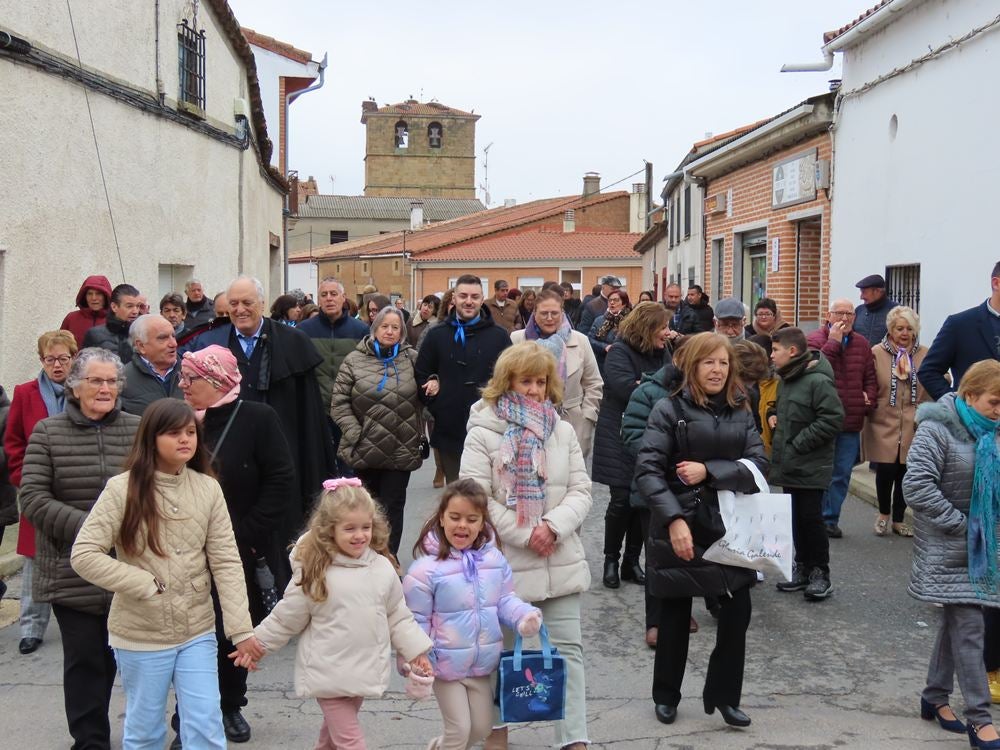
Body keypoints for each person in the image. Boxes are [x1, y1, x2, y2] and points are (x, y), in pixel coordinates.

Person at [70, 399, 261, 750]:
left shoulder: (208, 488)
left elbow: (227, 561)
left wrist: (241, 630)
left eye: (190, 432)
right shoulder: (122, 489)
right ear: (151, 438)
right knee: (145, 732)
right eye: (174, 433)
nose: (185, 439)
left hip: (197, 628)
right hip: (141, 632)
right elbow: (84, 554)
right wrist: (140, 582)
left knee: (205, 722)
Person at [233, 478, 433, 750]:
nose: (359, 535)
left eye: (365, 527)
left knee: (330, 740)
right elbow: (286, 616)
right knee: (351, 742)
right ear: (330, 530)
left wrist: (416, 651)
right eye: (349, 528)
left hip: (363, 671)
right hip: (326, 672)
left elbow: (398, 615)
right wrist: (257, 644)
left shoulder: (382, 568)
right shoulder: (316, 570)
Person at [461, 342, 592, 750]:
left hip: (559, 558)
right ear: (506, 383)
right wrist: (525, 532)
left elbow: (581, 490)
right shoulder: (482, 432)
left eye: (541, 381)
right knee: (499, 654)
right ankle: (496, 735)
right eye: (525, 381)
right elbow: (475, 499)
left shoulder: (562, 428)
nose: (534, 390)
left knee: (567, 653)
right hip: (505, 564)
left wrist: (552, 527)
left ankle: (573, 739)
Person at [635, 332, 767, 728]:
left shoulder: (742, 409)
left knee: (736, 613)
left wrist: (709, 471)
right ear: (691, 365)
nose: (717, 370)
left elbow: (759, 465)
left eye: (723, 363)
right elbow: (647, 471)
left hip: (729, 527)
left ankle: (725, 697)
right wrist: (674, 519)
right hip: (679, 525)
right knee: (674, 614)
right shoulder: (667, 409)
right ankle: (666, 696)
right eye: (709, 362)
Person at [19, 348, 140, 749]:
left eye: (112, 381)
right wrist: (96, 531)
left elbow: (156, 490)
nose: (105, 388)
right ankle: (90, 741)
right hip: (73, 570)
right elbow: (34, 499)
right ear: (74, 385)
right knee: (86, 661)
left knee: (135, 663)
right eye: (95, 380)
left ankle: (143, 734)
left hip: (129, 568)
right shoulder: (47, 432)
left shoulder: (138, 429)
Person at [175, 344, 295, 746]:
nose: (182, 385)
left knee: (233, 629)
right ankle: (190, 716)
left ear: (214, 381)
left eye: (190, 378)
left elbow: (280, 480)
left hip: (242, 548)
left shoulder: (258, 417)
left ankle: (229, 704)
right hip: (184, 551)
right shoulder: (179, 421)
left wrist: (242, 536)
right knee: (191, 634)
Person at [189, 276, 336, 582]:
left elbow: (309, 415)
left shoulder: (293, 343)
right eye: (234, 304)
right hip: (229, 470)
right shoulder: (210, 345)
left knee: (284, 555)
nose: (240, 310)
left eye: (247, 303)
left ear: (262, 304)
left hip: (283, 461)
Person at [903, 359, 1000, 747]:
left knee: (955, 623)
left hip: (981, 550)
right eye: (995, 402)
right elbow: (918, 487)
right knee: (971, 627)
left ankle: (934, 696)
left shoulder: (992, 433)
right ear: (970, 395)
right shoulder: (936, 429)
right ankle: (980, 718)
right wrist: (963, 525)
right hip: (947, 545)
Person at [404, 479, 542, 750]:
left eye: (471, 519)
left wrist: (523, 616)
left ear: (482, 523)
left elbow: (504, 600)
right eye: (454, 517)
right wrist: (416, 657)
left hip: (481, 664)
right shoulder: (424, 570)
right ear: (441, 519)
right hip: (444, 664)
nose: (462, 525)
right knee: (458, 731)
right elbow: (415, 619)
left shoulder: (494, 561)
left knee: (480, 728)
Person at [4, 330, 78, 655]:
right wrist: (26, 478)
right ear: (41, 361)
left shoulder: (85, 390)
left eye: (64, 358)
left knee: (83, 554)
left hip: (78, 487)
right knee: (36, 558)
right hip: (38, 489)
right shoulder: (25, 393)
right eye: (51, 359)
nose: (57, 365)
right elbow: (13, 443)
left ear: (74, 359)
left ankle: (82, 622)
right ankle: (32, 627)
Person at [331, 307, 424, 556]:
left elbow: (425, 394)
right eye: (385, 326)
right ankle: (362, 558)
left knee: (393, 509)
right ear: (375, 329)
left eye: (395, 327)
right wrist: (356, 433)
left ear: (402, 333)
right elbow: (339, 403)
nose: (390, 331)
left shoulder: (412, 359)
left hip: (401, 449)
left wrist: (434, 381)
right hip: (364, 450)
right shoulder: (354, 360)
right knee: (363, 510)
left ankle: (389, 560)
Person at [593, 302, 670, 589]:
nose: (666, 332)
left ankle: (631, 562)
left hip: (651, 433)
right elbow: (627, 388)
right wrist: (653, 386)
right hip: (618, 432)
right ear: (647, 328)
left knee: (642, 501)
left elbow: (666, 387)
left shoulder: (664, 353)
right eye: (662, 327)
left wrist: (648, 384)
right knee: (622, 500)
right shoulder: (620, 352)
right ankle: (611, 560)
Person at [768, 327, 844, 601]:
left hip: (810, 464)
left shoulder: (817, 381)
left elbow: (832, 419)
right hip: (791, 464)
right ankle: (802, 567)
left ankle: (820, 573)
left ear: (792, 351)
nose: (771, 355)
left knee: (812, 520)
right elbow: (785, 408)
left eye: (775, 350)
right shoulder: (787, 379)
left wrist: (799, 443)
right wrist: (772, 415)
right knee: (795, 519)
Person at [415, 274, 511, 484]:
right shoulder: (436, 335)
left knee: (489, 493)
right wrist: (435, 399)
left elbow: (511, 377)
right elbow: (421, 373)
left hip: (491, 427)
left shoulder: (499, 336)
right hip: (449, 425)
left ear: (482, 298)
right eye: (463, 296)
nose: (469, 301)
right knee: (457, 493)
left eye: (474, 296)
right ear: (454, 299)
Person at [807, 298, 877, 538]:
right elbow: (815, 368)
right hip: (822, 418)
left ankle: (830, 518)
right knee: (821, 471)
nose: (844, 319)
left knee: (841, 473)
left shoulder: (862, 344)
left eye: (849, 314)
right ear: (828, 315)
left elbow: (870, 377)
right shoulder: (815, 340)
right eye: (839, 314)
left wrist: (870, 398)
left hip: (851, 418)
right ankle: (815, 517)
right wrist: (834, 343)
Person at [864, 306, 931, 537]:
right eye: (900, 328)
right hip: (884, 419)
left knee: (906, 470)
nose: (904, 333)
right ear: (891, 330)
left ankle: (899, 519)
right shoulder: (876, 352)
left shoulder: (924, 354)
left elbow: (935, 379)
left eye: (909, 329)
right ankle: (883, 514)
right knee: (886, 468)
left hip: (913, 420)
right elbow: (869, 382)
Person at [512, 289, 603, 458]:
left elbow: (594, 383)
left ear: (562, 313)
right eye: (544, 313)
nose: (549, 318)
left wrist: (588, 418)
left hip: (572, 421)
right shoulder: (517, 340)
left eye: (554, 313)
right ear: (534, 312)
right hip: (527, 421)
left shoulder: (580, 340)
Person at [298, 277, 370, 444]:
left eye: (333, 294)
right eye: (324, 294)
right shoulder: (303, 331)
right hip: (315, 410)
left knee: (347, 465)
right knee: (318, 465)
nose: (329, 298)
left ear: (343, 297)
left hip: (350, 410)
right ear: (318, 299)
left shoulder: (360, 330)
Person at [919, 261, 1000, 401]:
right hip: (971, 421)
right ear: (996, 283)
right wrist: (957, 404)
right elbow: (929, 371)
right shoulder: (960, 324)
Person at [121, 314, 182, 416]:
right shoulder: (122, 379)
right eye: (163, 338)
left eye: (173, 336)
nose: (173, 344)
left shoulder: (193, 373)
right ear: (141, 346)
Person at [83, 283, 142, 362]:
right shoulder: (95, 334)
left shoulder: (143, 333)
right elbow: (83, 366)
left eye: (138, 306)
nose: (135, 311)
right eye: (129, 306)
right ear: (114, 307)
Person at [60, 275, 113, 348]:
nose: (94, 298)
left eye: (98, 294)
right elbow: (59, 346)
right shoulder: (71, 319)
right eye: (90, 294)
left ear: (106, 296)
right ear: (84, 296)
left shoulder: (116, 320)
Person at [587, 289, 631, 372]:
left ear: (624, 303)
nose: (612, 303)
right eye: (610, 300)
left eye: (616, 300)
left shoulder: (631, 321)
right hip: (602, 364)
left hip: (624, 364)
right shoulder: (599, 320)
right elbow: (589, 340)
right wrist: (605, 347)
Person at [854, 274, 899, 345]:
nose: (861, 297)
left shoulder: (897, 311)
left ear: (877, 291)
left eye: (864, 292)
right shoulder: (859, 311)